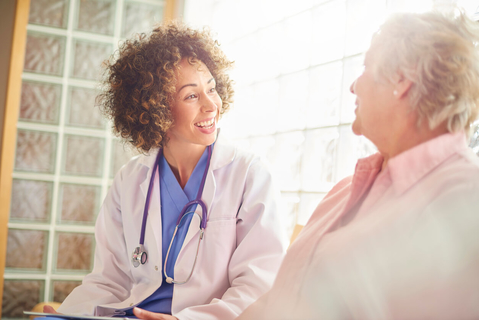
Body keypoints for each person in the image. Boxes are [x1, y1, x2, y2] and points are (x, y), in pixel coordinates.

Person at [237, 9, 479, 319]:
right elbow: (281, 298)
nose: (354, 86)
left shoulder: (464, 196)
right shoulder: (345, 190)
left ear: (402, 78)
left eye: (365, 67)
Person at [44, 22, 287, 320]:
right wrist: (69, 315)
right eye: (191, 96)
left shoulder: (250, 174)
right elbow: (110, 279)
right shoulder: (130, 180)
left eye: (211, 88)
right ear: (156, 108)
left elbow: (260, 284)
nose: (212, 105)